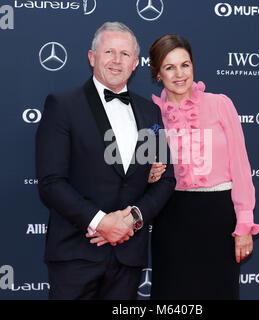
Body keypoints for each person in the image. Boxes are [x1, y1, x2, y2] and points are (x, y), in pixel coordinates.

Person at [35, 22, 175, 300]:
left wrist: (131, 220)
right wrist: (100, 222)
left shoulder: (150, 113)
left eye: (124, 54)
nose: (116, 60)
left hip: (127, 257)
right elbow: (51, 182)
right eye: (109, 51)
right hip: (76, 253)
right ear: (92, 57)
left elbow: (165, 179)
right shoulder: (63, 105)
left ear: (135, 63)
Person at [147, 34, 259, 300]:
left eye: (185, 65)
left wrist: (244, 224)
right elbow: (149, 174)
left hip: (219, 215)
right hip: (171, 217)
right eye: (170, 67)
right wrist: (151, 174)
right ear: (157, 73)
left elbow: (241, 168)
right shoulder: (151, 115)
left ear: (193, 66)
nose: (179, 74)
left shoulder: (220, 104)